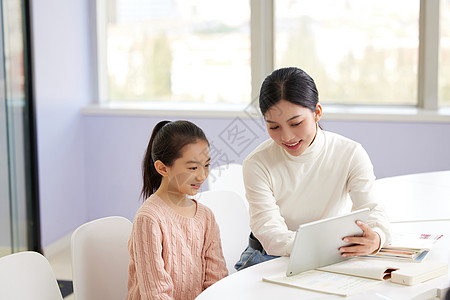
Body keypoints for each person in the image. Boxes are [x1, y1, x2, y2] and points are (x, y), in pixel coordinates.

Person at [235, 67, 391, 271]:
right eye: (274, 127)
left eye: (296, 123)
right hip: (267, 257)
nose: (287, 137)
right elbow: (270, 232)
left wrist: (377, 237)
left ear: (317, 112)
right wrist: (323, 247)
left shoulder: (350, 153)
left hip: (329, 255)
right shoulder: (257, 163)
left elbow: (373, 208)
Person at [127, 120, 228, 299]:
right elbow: (156, 294)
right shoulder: (149, 218)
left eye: (206, 165)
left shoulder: (205, 216)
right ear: (162, 168)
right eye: (193, 167)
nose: (202, 175)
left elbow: (217, 281)